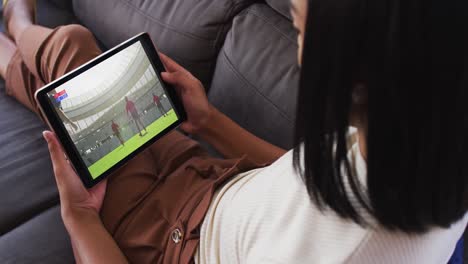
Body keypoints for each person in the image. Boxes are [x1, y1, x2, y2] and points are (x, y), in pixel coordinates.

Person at [1, 0, 467, 263]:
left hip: (169, 239)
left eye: (299, 30)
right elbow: (302, 179)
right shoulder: (423, 144)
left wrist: (80, 217)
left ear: (354, 74)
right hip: (213, 180)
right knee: (81, 78)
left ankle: (15, 26)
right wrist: (209, 123)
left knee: (71, 50)